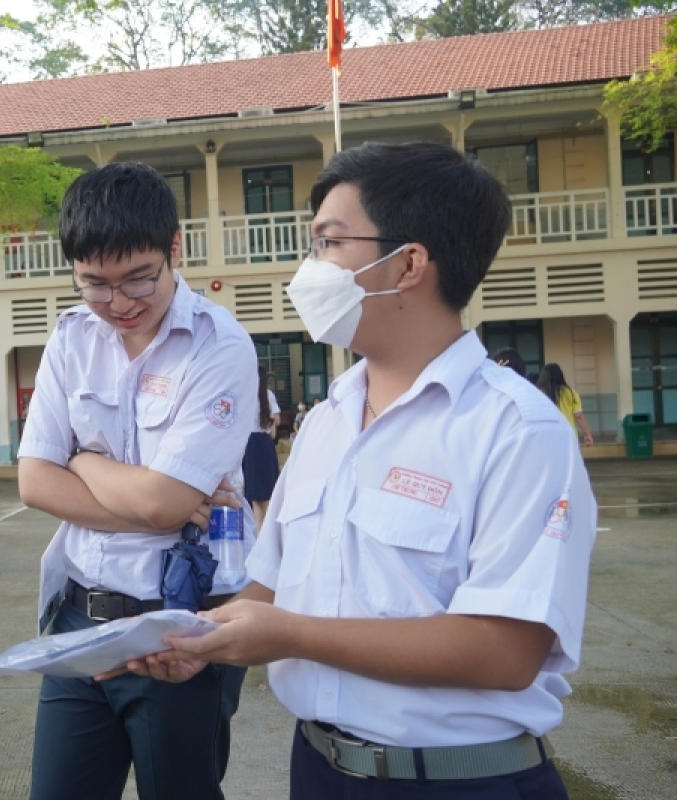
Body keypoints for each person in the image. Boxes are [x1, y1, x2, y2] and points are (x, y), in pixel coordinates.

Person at [134, 142, 596, 799]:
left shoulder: (518, 430)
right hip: (320, 768)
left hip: (460, 781)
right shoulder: (327, 422)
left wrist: (291, 635)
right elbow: (270, 589)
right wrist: (194, 639)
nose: (309, 268)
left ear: (407, 264)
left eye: (329, 242)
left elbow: (506, 651)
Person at [17, 161, 258, 800]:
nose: (118, 303)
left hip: (178, 627)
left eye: (137, 279)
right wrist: (161, 505)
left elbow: (161, 501)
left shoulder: (219, 347)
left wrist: (82, 462)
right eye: (95, 283)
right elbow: (35, 483)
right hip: (78, 621)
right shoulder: (71, 339)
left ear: (173, 248)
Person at [243, 365, 280, 525]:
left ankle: (260, 534)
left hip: (250, 445)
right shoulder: (268, 395)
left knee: (256, 495)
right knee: (267, 493)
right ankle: (270, 531)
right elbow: (277, 420)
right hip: (265, 444)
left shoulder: (245, 395)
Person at [538, 363, 594, 447]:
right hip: (568, 435)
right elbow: (579, 416)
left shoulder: (538, 394)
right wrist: (587, 434)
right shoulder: (570, 393)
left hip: (547, 436)